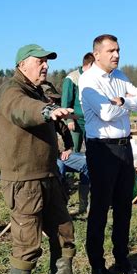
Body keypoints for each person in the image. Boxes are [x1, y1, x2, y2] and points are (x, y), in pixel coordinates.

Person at [0, 44, 97, 274]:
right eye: (39, 62)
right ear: (22, 65)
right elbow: (22, 109)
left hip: (50, 175)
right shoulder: (12, 91)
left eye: (46, 63)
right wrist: (45, 112)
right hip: (24, 180)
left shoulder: (40, 91)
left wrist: (63, 125)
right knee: (27, 241)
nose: (45, 66)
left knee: (64, 232)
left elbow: (55, 115)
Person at [79, 34, 137, 274]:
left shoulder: (120, 76)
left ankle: (122, 260)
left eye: (118, 50)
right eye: (111, 51)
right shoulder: (88, 81)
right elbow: (106, 113)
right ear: (97, 54)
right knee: (99, 209)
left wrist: (122, 101)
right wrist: (126, 104)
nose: (116, 55)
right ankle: (97, 266)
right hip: (102, 150)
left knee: (123, 207)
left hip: (124, 147)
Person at [42, 83, 90, 214]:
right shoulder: (34, 116)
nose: (53, 102)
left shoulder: (54, 117)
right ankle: (59, 207)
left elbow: (65, 132)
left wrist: (69, 148)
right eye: (49, 99)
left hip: (56, 156)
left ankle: (84, 206)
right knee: (60, 168)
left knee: (87, 163)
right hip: (41, 160)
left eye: (54, 100)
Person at [61, 52, 95, 152]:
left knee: (94, 150)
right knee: (74, 149)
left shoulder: (95, 78)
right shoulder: (72, 78)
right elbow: (65, 103)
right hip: (76, 120)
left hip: (91, 121)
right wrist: (69, 119)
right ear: (90, 64)